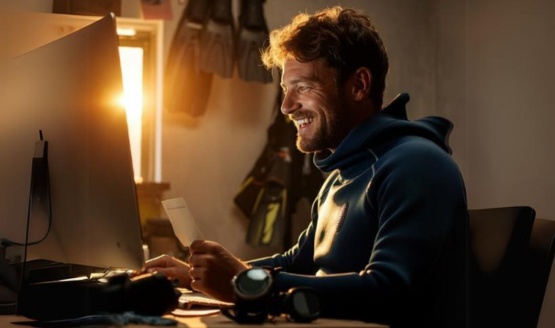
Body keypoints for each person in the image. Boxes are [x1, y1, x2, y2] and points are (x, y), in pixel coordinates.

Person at [144, 6, 468, 328]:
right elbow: (296, 262)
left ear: (358, 85)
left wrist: (245, 282)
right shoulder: (339, 177)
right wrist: (197, 277)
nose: (287, 106)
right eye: (287, 89)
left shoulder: (417, 165)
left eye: (304, 87)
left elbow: (389, 292)